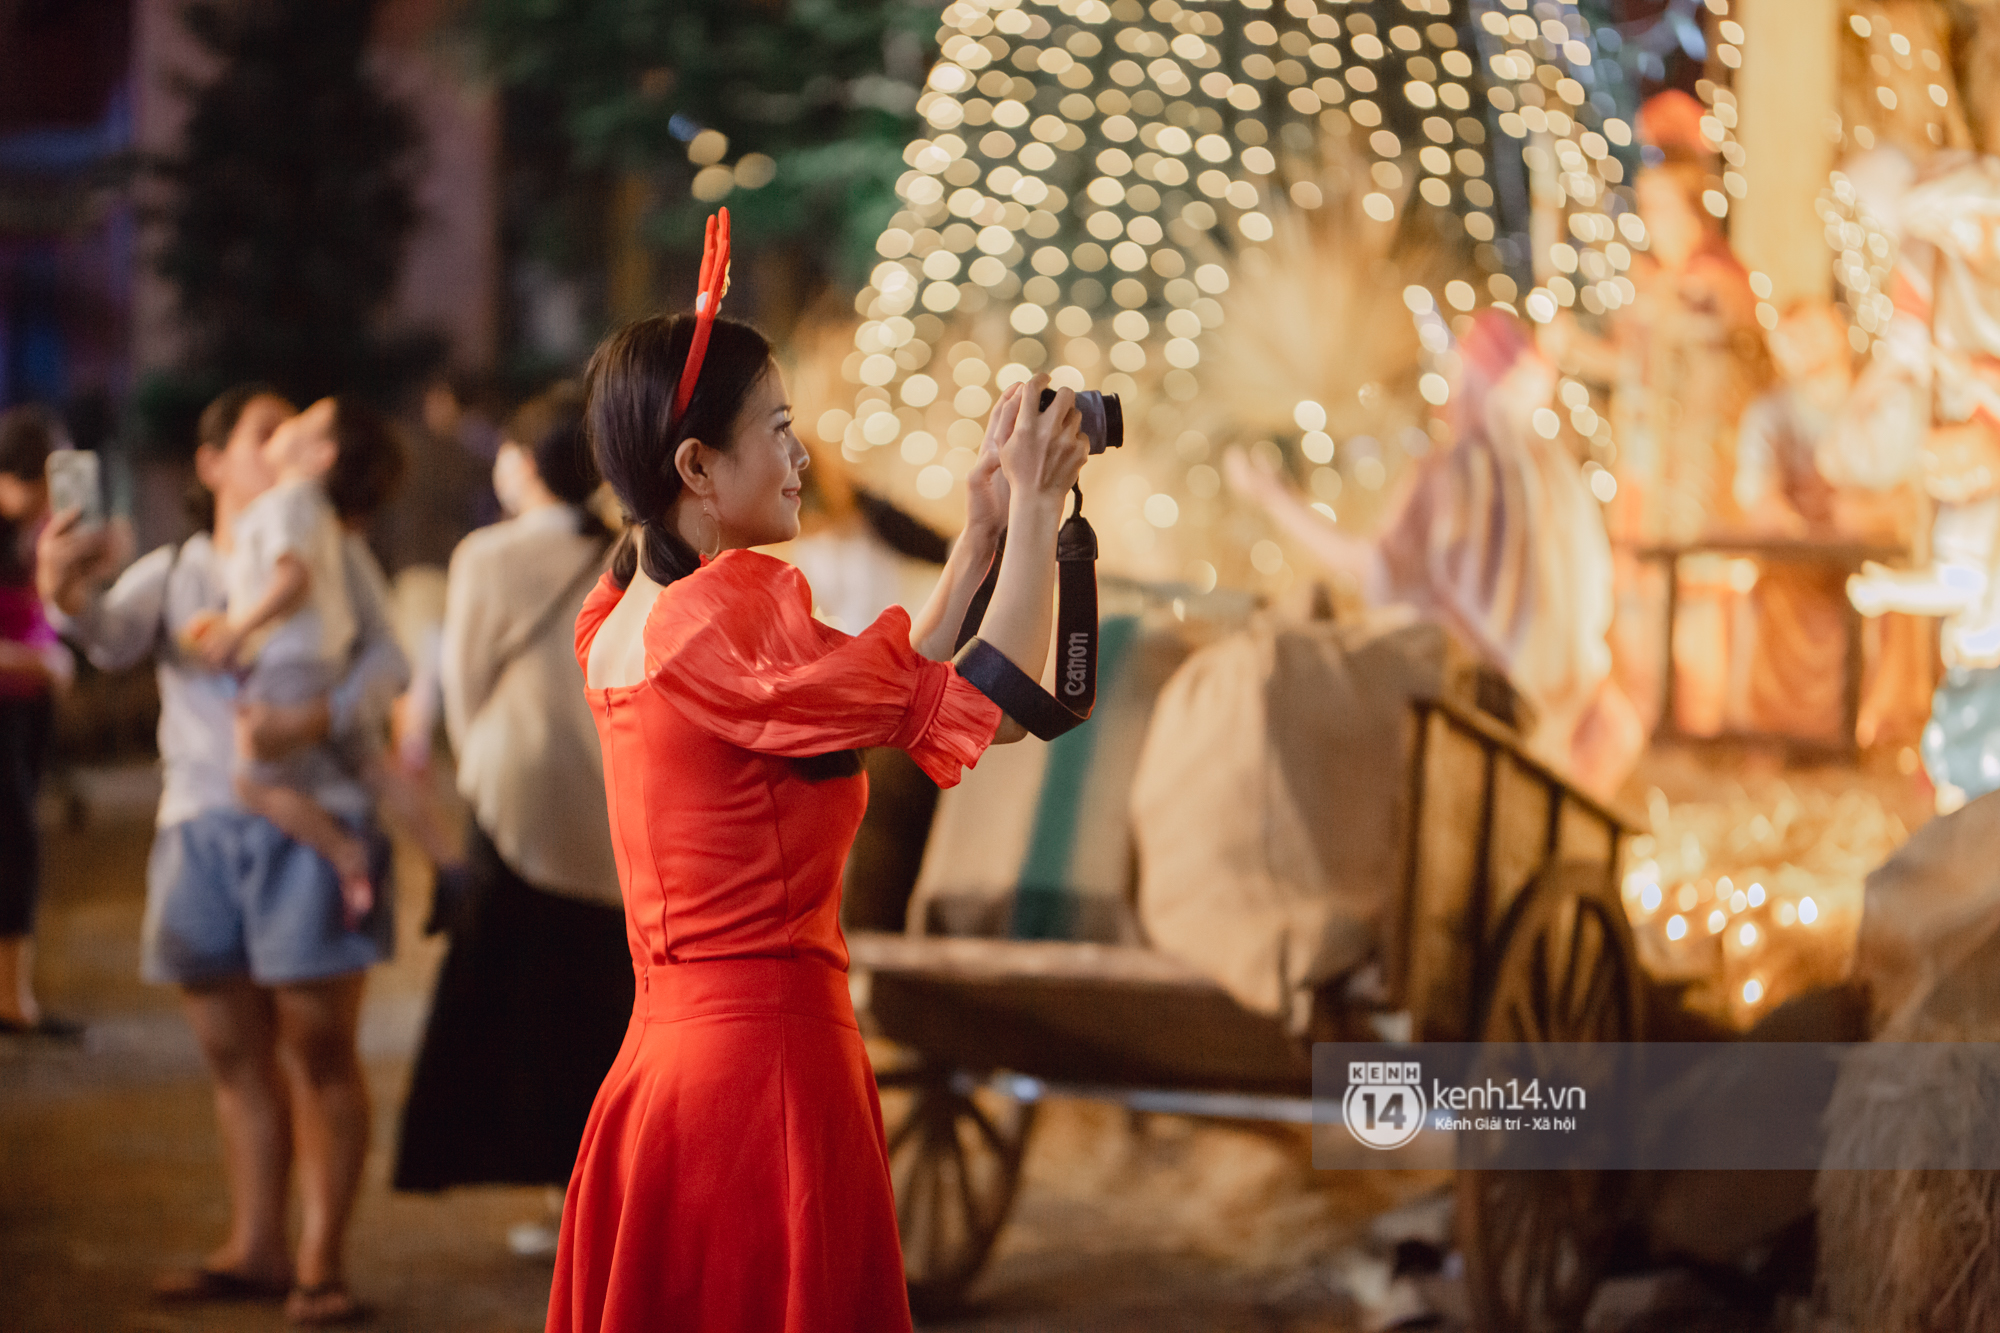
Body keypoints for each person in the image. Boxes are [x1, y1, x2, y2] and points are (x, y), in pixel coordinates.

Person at [548, 294, 1087, 1331]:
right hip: (772, 1075)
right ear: (698, 467)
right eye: (782, 430)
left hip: (664, 1070)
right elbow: (996, 708)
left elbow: (874, 688)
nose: (803, 457)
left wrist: (976, 538)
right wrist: (1033, 507)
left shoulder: (618, 615)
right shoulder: (724, 611)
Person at [37, 384, 409, 1327]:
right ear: (210, 464)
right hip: (199, 822)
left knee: (319, 1044)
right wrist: (59, 584)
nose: (284, 442)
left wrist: (315, 716)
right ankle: (255, 1246)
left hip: (314, 817)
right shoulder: (178, 568)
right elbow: (110, 633)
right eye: (261, 431)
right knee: (233, 1052)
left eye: (294, 428)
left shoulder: (331, 546)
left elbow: (388, 661)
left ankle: (320, 1264)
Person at [1227, 311, 1642, 799]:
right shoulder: (1565, 483)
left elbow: (1368, 566)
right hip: (1559, 748)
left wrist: (1273, 496)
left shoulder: (1449, 472)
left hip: (1469, 734)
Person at [392, 384, 628, 1232]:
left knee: (520, 1002)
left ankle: (557, 1191)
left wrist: (474, 765)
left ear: (524, 463)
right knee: (601, 998)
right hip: (609, 789)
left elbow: (463, 689)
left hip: (516, 789)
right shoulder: (629, 552)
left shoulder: (486, 556)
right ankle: (597, 1193)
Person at [0, 405, 75, 1036]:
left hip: (26, 710)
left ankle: (12, 998)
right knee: (14, 839)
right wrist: (39, 658)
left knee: (21, 844)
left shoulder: (36, 533)